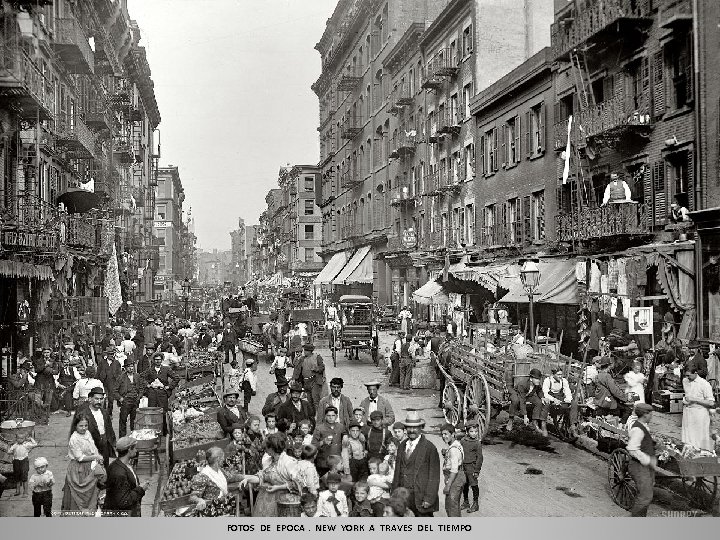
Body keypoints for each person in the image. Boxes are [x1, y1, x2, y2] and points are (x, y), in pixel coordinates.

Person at [391, 410, 440, 517]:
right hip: (403, 496)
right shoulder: (402, 445)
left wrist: (429, 498)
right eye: (409, 427)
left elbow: (434, 476)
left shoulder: (430, 448)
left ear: (421, 428)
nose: (412, 430)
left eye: (415, 427)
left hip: (421, 497)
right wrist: (394, 494)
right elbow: (397, 472)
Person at [239, 433, 301, 517]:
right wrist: (248, 479)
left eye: (267, 448)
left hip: (284, 502)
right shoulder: (268, 461)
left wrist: (279, 487)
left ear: (272, 448)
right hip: (265, 500)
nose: (265, 450)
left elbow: (298, 483)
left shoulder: (289, 462)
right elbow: (262, 476)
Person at [61, 414, 106, 515]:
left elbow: (93, 448)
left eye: (86, 425)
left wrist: (98, 457)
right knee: (79, 495)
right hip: (78, 469)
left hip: (90, 466)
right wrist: (95, 457)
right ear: (75, 426)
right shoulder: (74, 439)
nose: (84, 428)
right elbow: (80, 458)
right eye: (81, 426)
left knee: (92, 492)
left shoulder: (87, 433)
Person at [626, 403, 662, 517]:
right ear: (645, 415)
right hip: (638, 466)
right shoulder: (638, 429)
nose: (652, 416)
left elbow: (643, 443)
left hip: (645, 466)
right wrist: (648, 460)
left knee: (647, 495)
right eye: (651, 414)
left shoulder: (644, 426)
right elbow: (632, 449)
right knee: (645, 497)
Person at [103, 437, 151, 517]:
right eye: (134, 448)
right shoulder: (119, 473)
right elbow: (124, 501)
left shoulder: (122, 465)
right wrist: (141, 489)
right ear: (129, 449)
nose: (136, 450)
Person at [189, 447, 243, 514]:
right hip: (212, 511)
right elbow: (192, 497)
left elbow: (232, 478)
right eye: (222, 457)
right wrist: (199, 500)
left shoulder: (220, 471)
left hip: (225, 507)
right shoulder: (203, 476)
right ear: (218, 459)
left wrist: (248, 477)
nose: (223, 459)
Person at [75, 387, 116, 468]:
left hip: (104, 444)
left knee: (105, 468)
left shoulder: (104, 412)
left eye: (101, 399)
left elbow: (109, 429)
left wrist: (112, 443)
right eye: (96, 399)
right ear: (90, 399)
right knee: (91, 469)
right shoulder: (83, 414)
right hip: (90, 445)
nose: (99, 401)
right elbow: (77, 431)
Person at [144, 351, 180, 435]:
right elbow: (142, 378)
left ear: (162, 360)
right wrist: (148, 385)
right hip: (152, 393)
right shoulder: (150, 370)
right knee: (152, 411)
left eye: (159, 360)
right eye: (156, 360)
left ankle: (164, 431)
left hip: (162, 393)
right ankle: (153, 431)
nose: (158, 361)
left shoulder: (166, 369)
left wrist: (169, 387)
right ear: (153, 360)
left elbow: (176, 378)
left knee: (163, 412)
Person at [681, 367, 716, 451]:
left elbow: (711, 403)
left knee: (699, 438)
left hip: (700, 413)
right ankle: (689, 454)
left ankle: (702, 456)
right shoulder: (685, 381)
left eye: (689, 375)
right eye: (686, 376)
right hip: (688, 412)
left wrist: (694, 399)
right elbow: (687, 394)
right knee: (688, 437)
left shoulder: (704, 384)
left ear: (695, 373)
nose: (687, 377)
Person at [507, 368, 546, 434]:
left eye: (539, 379)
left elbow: (539, 391)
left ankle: (534, 422)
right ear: (531, 378)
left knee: (539, 401)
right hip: (517, 394)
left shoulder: (537, 384)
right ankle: (510, 420)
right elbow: (522, 401)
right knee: (515, 401)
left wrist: (542, 397)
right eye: (536, 379)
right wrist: (525, 416)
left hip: (527, 395)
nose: (538, 380)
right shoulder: (523, 384)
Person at [440, 423, 465, 517]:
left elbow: (454, 470)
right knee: (453, 505)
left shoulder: (453, 449)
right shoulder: (456, 444)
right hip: (459, 475)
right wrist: (446, 454)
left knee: (451, 506)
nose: (444, 436)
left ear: (453, 434)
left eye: (446, 434)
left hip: (455, 478)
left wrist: (448, 486)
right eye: (442, 434)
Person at [595, 357, 632, 421]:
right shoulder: (607, 376)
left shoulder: (598, 375)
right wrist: (625, 398)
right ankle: (621, 426)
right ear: (608, 366)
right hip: (607, 402)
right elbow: (614, 391)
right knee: (628, 410)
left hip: (600, 400)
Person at [541, 367, 574, 437]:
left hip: (559, 397)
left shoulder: (563, 380)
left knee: (571, 405)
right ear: (553, 375)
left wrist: (568, 399)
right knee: (546, 405)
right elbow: (545, 393)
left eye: (561, 374)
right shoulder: (547, 381)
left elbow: (567, 391)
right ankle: (543, 425)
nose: (560, 376)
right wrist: (553, 400)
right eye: (558, 374)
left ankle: (571, 426)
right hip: (550, 397)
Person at [293, 343, 326, 413]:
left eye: (306, 350)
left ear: (310, 351)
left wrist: (316, 369)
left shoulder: (317, 357)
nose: (304, 352)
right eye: (304, 350)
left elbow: (322, 367)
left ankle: (318, 416)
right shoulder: (302, 359)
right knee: (309, 400)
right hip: (306, 382)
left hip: (315, 381)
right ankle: (312, 416)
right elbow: (297, 369)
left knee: (315, 400)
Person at [118, 362, 144, 438]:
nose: (131, 368)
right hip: (125, 401)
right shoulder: (121, 377)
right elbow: (115, 390)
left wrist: (139, 397)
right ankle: (122, 439)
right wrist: (120, 398)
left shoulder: (137, 376)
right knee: (123, 420)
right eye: (129, 367)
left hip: (135, 401)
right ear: (125, 368)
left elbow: (142, 388)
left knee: (134, 420)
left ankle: (134, 437)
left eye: (132, 366)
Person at [96, 346, 123, 416]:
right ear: (107, 355)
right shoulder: (102, 362)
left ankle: (110, 413)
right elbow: (98, 372)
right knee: (103, 398)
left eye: (112, 354)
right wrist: (96, 381)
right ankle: (104, 413)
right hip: (103, 382)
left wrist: (118, 382)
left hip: (112, 382)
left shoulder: (117, 363)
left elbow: (119, 374)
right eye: (110, 354)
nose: (111, 356)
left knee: (111, 399)